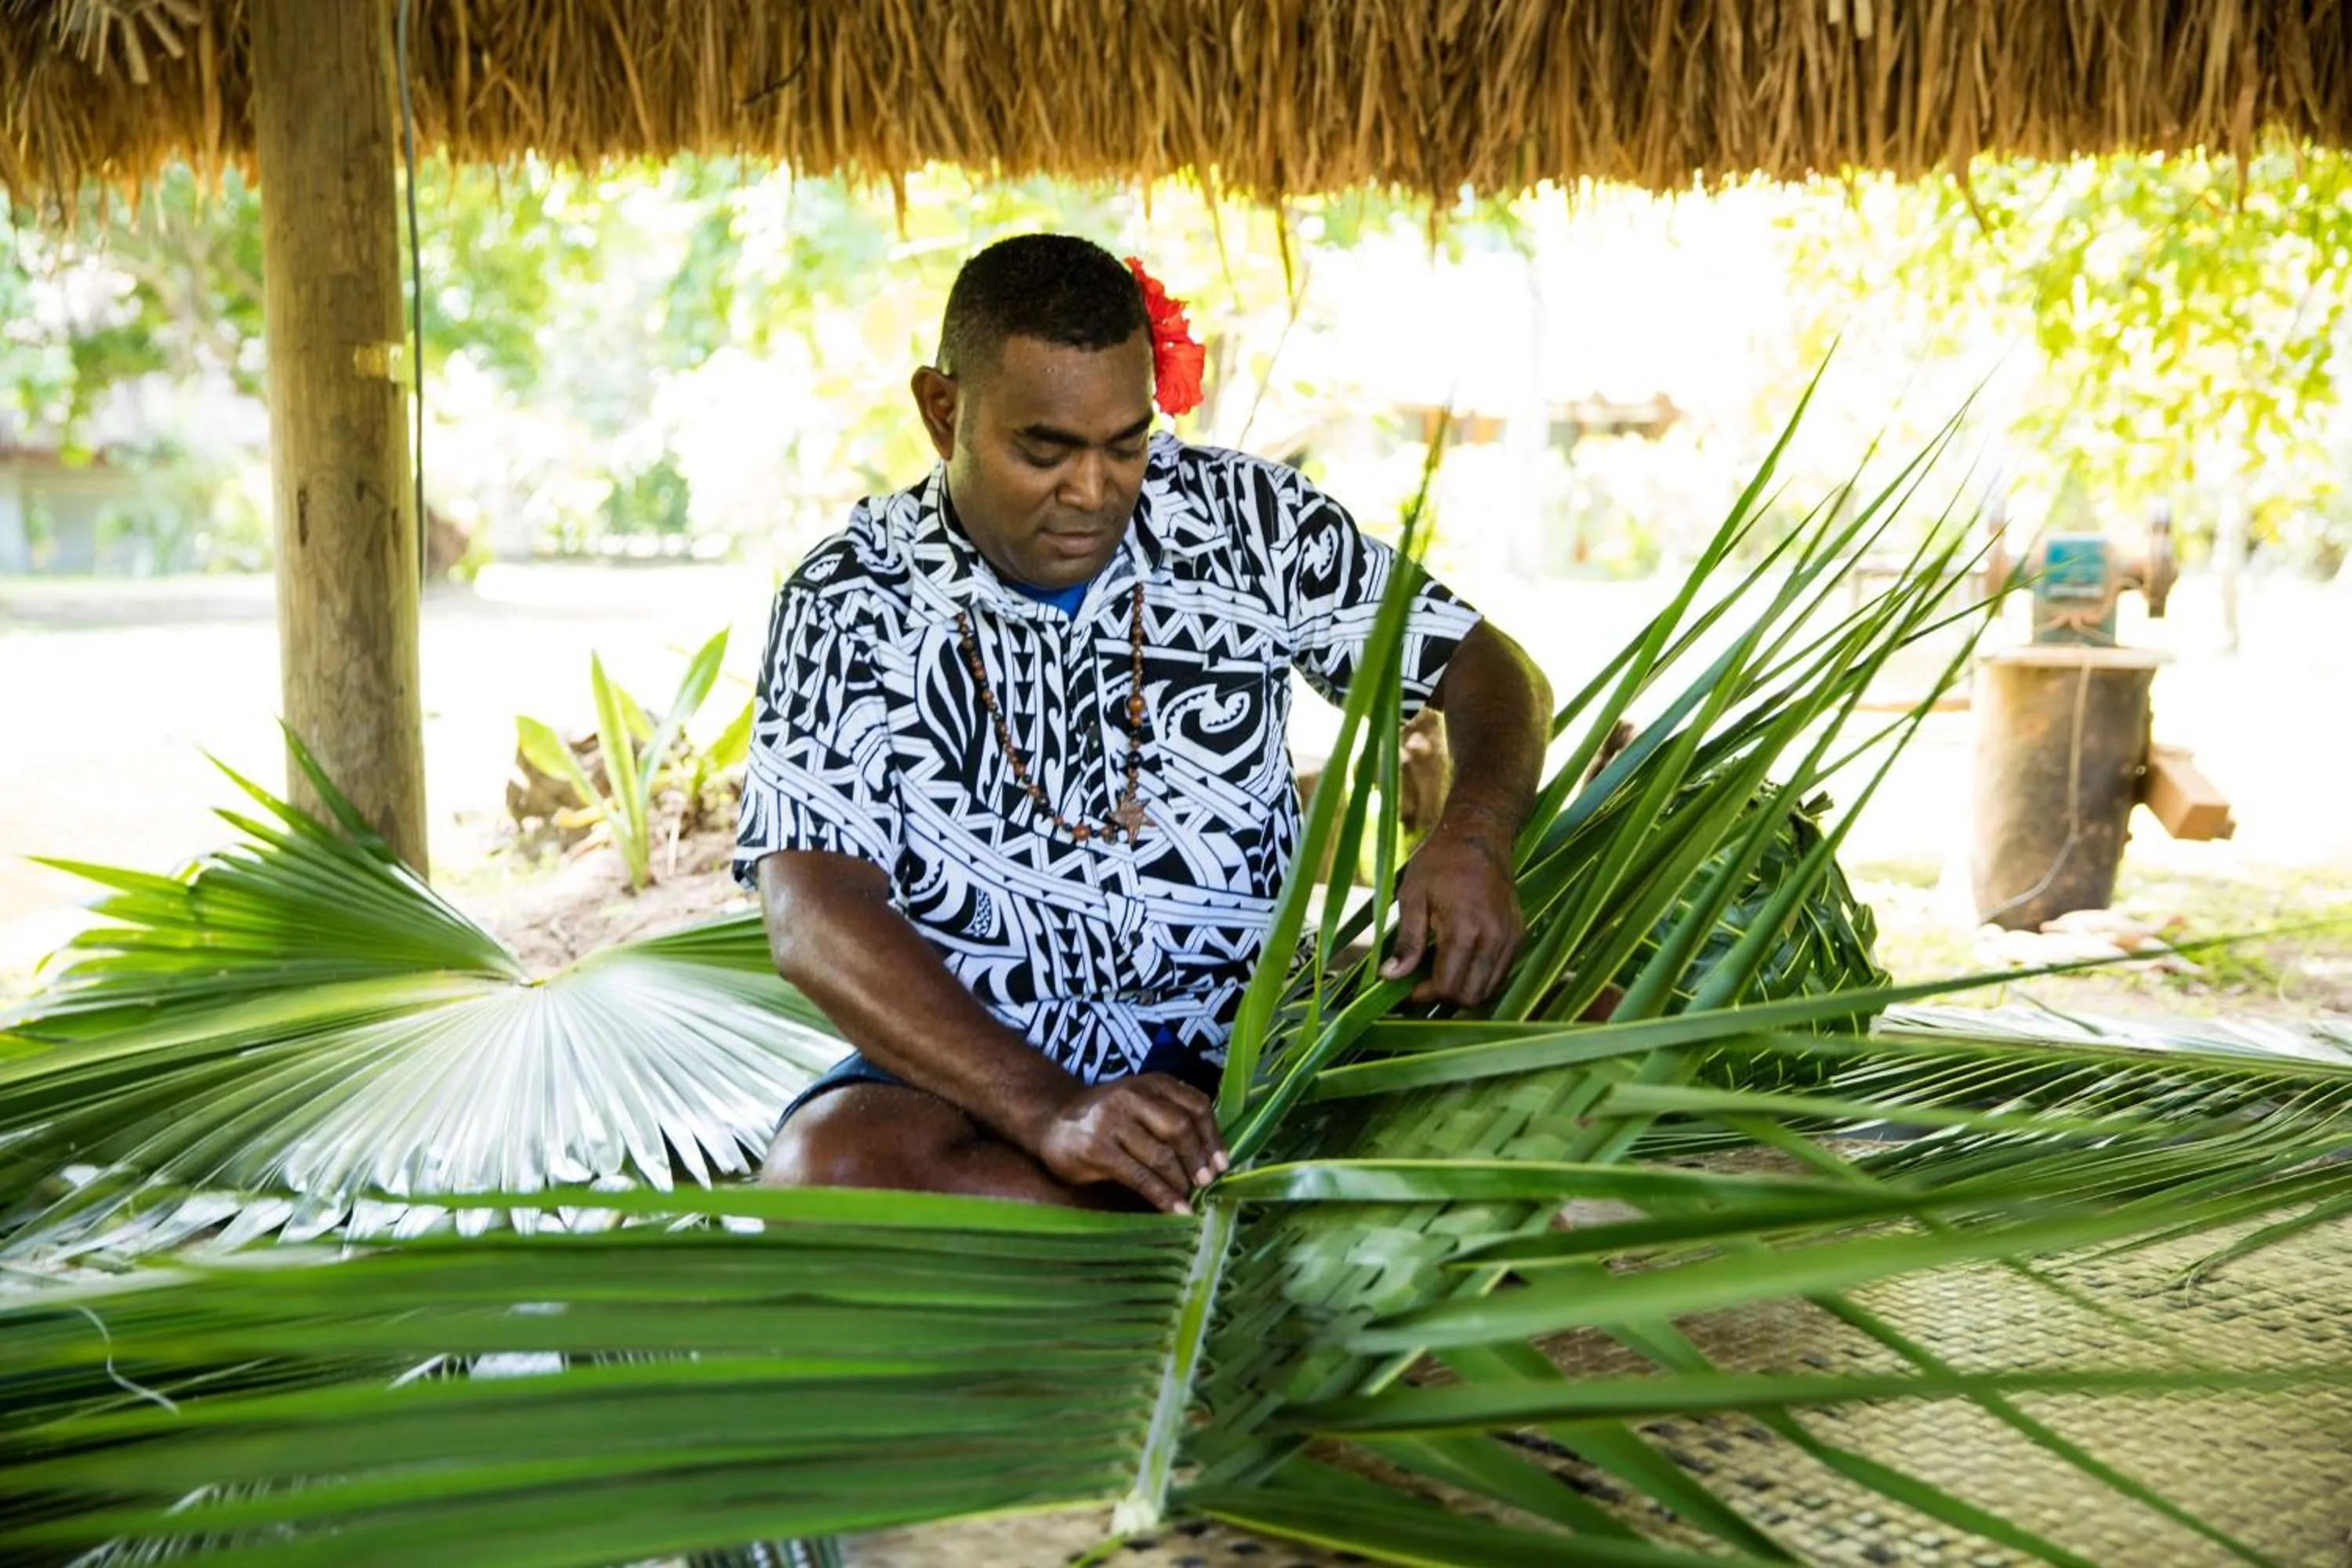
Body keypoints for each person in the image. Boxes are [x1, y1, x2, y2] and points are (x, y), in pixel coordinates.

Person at [736, 234, 1551, 1215]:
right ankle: (1235, 1230)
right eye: (1046, 449)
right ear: (943, 410)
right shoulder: (849, 596)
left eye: (1126, 442)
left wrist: (1472, 835)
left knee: (1559, 1017)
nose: (1094, 489)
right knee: (830, 1172)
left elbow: (1488, 667)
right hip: (991, 1071)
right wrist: (1049, 1110)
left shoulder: (1249, 522)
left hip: (1264, 1042)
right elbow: (813, 915)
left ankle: (1129, 1235)